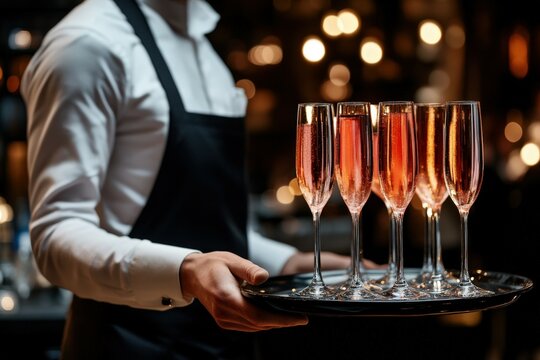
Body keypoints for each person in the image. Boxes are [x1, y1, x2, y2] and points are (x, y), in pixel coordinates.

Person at [20, 0, 362, 358]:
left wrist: (286, 264)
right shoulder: (86, 44)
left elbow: (207, 225)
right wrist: (185, 271)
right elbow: (54, 238)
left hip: (227, 346)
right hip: (128, 346)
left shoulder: (204, 48)